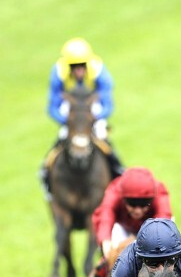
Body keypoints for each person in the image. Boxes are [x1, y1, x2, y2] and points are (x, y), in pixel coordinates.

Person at [79, 167, 173, 277]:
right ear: (123, 198)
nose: (137, 209)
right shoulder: (114, 191)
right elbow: (105, 217)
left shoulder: (160, 193)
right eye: (131, 203)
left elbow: (165, 219)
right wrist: (107, 245)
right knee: (110, 259)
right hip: (123, 228)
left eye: (143, 203)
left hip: (155, 229)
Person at [40, 38, 124, 197]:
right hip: (71, 113)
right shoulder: (57, 73)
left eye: (82, 66)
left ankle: (117, 170)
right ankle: (46, 174)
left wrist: (94, 118)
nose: (78, 70)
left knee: (103, 139)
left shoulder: (99, 71)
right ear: (67, 66)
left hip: (93, 111)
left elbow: (107, 104)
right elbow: (53, 107)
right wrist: (68, 121)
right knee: (61, 140)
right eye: (74, 67)